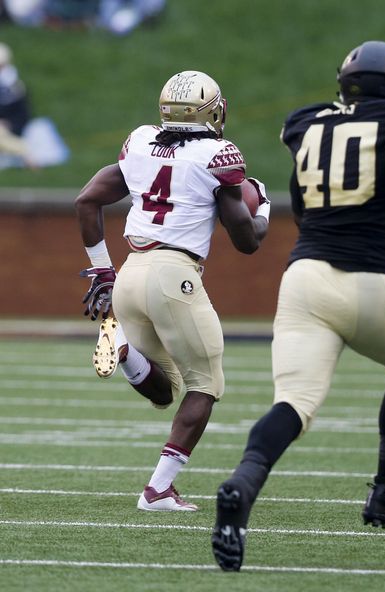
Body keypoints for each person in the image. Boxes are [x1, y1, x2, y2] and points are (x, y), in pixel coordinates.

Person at [211, 40, 385, 572]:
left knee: (294, 403)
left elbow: (301, 200)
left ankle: (242, 484)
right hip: (373, 281)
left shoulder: (306, 122)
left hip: (304, 279)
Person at [75, 70, 270, 511]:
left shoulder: (141, 141)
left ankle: (126, 355)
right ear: (213, 111)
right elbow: (246, 242)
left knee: (166, 392)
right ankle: (157, 490)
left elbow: (86, 200)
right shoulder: (217, 154)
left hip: (129, 274)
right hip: (174, 272)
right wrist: (264, 211)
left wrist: (102, 273)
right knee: (205, 385)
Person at [0, 42, 33, 167]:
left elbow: (22, 114)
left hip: (10, 128)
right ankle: (24, 152)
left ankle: (23, 152)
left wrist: (8, 123)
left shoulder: (15, 86)